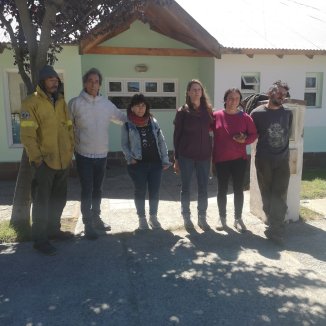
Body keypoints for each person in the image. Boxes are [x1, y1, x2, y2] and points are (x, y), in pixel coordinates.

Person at [20, 65, 74, 255]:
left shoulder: (61, 101)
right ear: (42, 81)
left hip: (63, 160)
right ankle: (40, 239)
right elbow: (27, 135)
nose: (55, 81)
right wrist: (37, 159)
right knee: (42, 201)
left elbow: (69, 128)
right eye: (51, 79)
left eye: (56, 79)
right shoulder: (31, 103)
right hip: (44, 163)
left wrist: (70, 151)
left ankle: (54, 230)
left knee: (59, 199)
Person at [69, 68, 127, 240]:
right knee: (87, 189)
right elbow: (67, 127)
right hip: (83, 154)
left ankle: (96, 218)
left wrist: (142, 117)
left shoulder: (106, 104)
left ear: (100, 84)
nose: (94, 84)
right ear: (85, 83)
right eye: (90, 81)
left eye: (96, 81)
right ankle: (88, 224)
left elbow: (122, 118)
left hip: (102, 155)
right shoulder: (75, 103)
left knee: (98, 189)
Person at [250, 80, 293, 243]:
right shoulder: (256, 113)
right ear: (270, 93)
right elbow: (252, 134)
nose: (282, 96)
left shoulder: (288, 113)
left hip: (282, 160)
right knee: (266, 194)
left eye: (284, 94)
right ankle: (272, 223)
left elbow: (288, 132)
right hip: (264, 161)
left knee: (280, 195)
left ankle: (277, 230)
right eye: (279, 93)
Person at [121, 94, 171, 230]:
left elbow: (161, 141)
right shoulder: (127, 125)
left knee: (154, 192)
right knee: (140, 191)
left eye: (143, 105)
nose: (140, 108)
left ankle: (153, 217)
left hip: (155, 164)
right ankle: (142, 218)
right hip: (138, 165)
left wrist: (165, 159)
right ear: (132, 108)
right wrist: (130, 159)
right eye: (137, 105)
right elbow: (124, 144)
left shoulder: (153, 121)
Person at [212, 88, 257, 232]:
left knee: (238, 189)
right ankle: (222, 217)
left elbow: (254, 134)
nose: (233, 101)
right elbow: (204, 129)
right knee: (222, 189)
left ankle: (238, 218)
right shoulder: (216, 115)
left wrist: (244, 141)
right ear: (225, 99)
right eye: (230, 98)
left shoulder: (245, 117)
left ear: (240, 101)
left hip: (239, 159)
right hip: (221, 159)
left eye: (237, 98)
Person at [173, 79, 213, 231]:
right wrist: (176, 158)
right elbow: (176, 136)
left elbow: (213, 131)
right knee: (186, 188)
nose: (197, 92)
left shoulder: (208, 111)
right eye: (194, 89)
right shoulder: (182, 112)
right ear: (188, 92)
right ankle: (186, 217)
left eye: (199, 89)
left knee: (203, 188)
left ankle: (202, 218)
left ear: (202, 93)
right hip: (186, 156)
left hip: (204, 156)